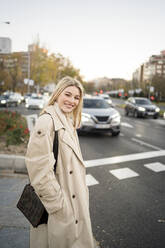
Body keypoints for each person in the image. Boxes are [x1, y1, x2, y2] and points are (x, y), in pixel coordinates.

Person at [25, 76, 95, 248]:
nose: (72, 101)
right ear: (57, 94)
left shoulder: (68, 122)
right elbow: (38, 169)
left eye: (76, 97)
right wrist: (59, 206)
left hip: (74, 203)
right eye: (68, 94)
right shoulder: (47, 121)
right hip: (59, 208)